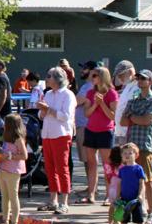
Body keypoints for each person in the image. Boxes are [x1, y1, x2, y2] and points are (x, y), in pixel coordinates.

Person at [122, 69, 152, 215]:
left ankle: (151, 211)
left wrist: (133, 117)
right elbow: (123, 121)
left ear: (151, 81)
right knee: (132, 180)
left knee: (147, 179)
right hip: (130, 147)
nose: (140, 81)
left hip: (145, 145)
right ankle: (138, 209)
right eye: (138, 78)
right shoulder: (133, 100)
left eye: (143, 79)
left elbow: (147, 120)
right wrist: (135, 118)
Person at [37, 66, 75, 213]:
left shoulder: (68, 95)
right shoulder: (48, 94)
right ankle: (53, 200)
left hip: (61, 134)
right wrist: (41, 109)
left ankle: (64, 202)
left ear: (58, 79)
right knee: (50, 168)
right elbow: (42, 115)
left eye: (49, 76)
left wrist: (48, 110)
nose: (47, 79)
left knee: (62, 167)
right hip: (47, 134)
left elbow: (66, 116)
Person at [81, 66, 118, 203]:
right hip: (91, 130)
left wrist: (102, 103)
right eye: (92, 75)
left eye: (95, 75)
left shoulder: (112, 93)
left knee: (107, 165)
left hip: (105, 131)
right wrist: (95, 104)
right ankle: (91, 194)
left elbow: (113, 116)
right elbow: (87, 113)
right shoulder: (90, 93)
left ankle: (109, 195)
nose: (92, 78)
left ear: (103, 77)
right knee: (92, 163)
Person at [0, 113, 27, 224]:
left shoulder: (18, 139)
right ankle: (5, 221)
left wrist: (9, 156)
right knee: (5, 197)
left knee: (13, 196)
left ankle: (15, 222)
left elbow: (24, 156)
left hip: (13, 171)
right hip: (4, 169)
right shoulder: (6, 138)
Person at [114, 142, 148, 224]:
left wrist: (140, 195)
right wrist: (117, 195)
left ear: (136, 155)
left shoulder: (138, 168)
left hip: (135, 199)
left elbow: (142, 183)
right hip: (124, 198)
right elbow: (119, 183)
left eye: (130, 153)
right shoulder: (122, 170)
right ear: (122, 156)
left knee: (139, 218)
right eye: (125, 153)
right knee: (124, 219)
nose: (127, 155)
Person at [110, 60, 137, 144]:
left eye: (121, 75)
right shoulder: (127, 87)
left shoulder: (138, 87)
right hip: (121, 130)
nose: (119, 78)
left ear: (130, 72)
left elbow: (134, 106)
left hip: (129, 131)